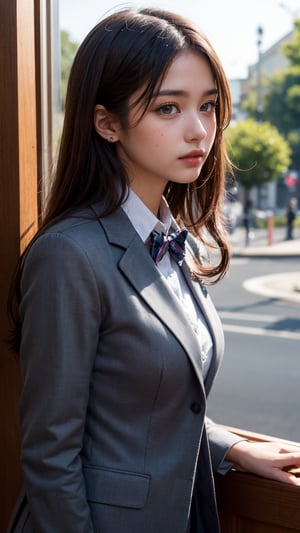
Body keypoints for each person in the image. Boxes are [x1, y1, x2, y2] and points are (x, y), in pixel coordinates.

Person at [8, 7, 300, 533]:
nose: (199, 130)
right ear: (106, 123)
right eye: (169, 108)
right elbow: (51, 458)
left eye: (208, 105)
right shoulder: (69, 254)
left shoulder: (169, 239)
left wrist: (230, 447)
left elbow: (151, 410)